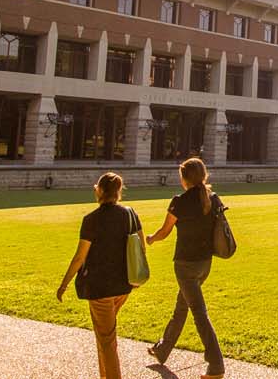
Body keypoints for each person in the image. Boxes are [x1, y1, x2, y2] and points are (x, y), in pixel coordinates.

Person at [145, 158, 226, 379]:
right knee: (182, 307)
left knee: (199, 313)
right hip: (204, 264)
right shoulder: (213, 198)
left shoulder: (179, 201)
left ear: (184, 178)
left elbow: (165, 230)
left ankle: (216, 365)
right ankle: (162, 349)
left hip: (185, 265)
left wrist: (151, 239)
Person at [57, 172, 142, 379]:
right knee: (104, 334)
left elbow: (79, 257)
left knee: (107, 340)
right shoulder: (130, 214)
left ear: (100, 191)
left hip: (100, 287)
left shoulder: (91, 220)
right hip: (123, 285)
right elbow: (140, 250)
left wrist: (64, 284)